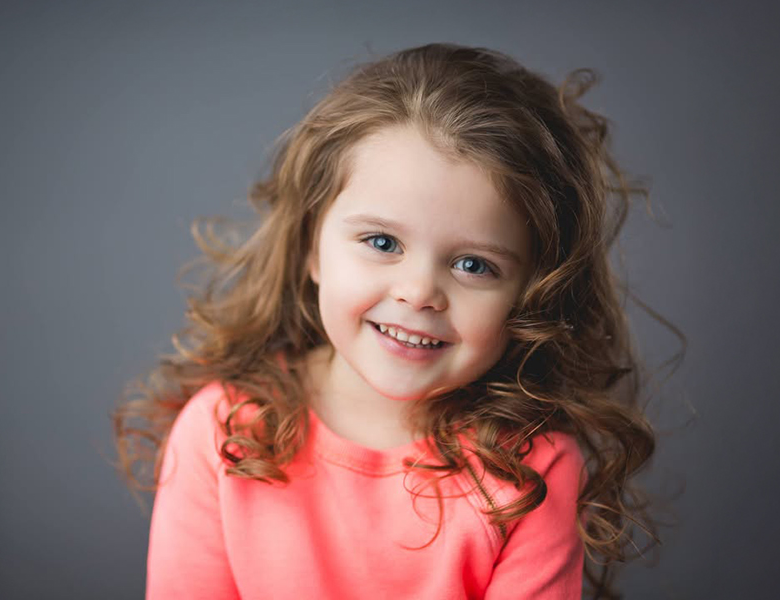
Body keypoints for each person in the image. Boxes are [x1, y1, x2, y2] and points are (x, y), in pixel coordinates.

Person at [113, 42, 668, 600]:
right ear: (310, 248)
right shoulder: (222, 431)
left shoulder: (534, 472)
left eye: (474, 265)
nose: (419, 293)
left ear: (532, 293)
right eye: (382, 242)